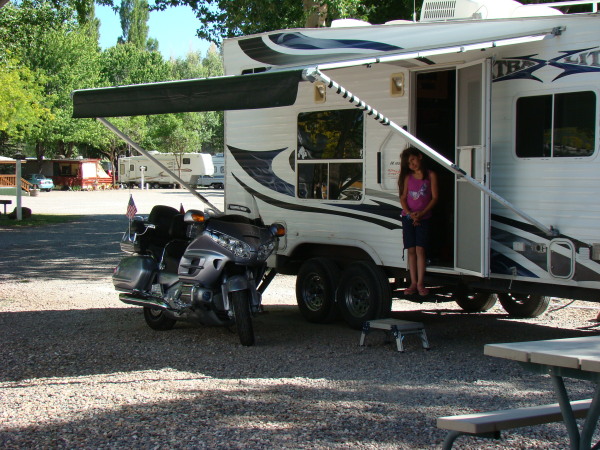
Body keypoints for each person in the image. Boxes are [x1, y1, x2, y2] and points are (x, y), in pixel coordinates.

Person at [398, 147, 438, 296]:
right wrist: (410, 214)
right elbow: (403, 198)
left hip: (424, 217)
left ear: (420, 156)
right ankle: (413, 282)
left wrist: (422, 213)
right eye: (408, 163)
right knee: (411, 249)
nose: (412, 164)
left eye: (413, 160)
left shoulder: (431, 175)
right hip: (409, 217)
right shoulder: (408, 177)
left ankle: (421, 282)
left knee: (420, 249)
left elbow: (435, 197)